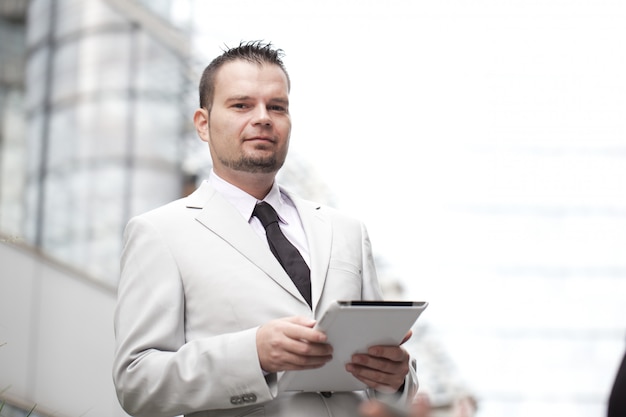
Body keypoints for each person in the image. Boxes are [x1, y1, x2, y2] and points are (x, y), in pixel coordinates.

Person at [112, 41, 417, 417]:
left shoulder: (347, 230)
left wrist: (397, 378)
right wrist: (253, 354)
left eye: (277, 107)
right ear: (203, 124)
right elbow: (136, 383)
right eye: (242, 105)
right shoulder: (160, 232)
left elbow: (388, 384)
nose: (263, 118)